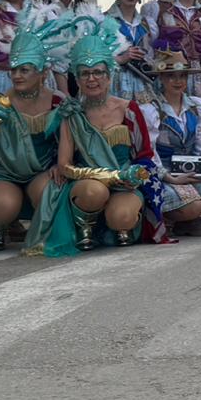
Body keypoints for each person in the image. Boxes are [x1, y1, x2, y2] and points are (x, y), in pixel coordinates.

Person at [0, 10, 86, 258]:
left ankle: (43, 229)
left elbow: (74, 141)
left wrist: (61, 163)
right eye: (14, 70)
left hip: (42, 171)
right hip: (3, 172)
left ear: (43, 73)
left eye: (25, 70)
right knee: (3, 207)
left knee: (51, 190)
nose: (17, 76)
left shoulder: (59, 102)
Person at [35, 24, 165, 253]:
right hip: (88, 183)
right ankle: (86, 225)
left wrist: (134, 176)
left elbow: (144, 155)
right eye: (85, 73)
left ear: (109, 74)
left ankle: (117, 224)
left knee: (122, 217)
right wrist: (107, 176)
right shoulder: (71, 114)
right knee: (95, 192)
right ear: (77, 77)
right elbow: (64, 165)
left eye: (98, 72)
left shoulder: (129, 110)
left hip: (125, 181)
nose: (92, 79)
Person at [140, 50, 201, 237]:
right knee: (193, 205)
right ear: (161, 79)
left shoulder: (198, 106)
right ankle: (173, 218)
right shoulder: (151, 109)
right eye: (171, 76)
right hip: (163, 170)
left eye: (182, 76)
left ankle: (190, 221)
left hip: (188, 165)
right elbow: (150, 152)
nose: (178, 81)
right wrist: (169, 177)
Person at [100, 0, 155, 102]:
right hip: (113, 86)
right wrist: (121, 58)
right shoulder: (102, 21)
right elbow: (94, 60)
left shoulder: (147, 24)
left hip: (143, 87)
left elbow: (153, 57)